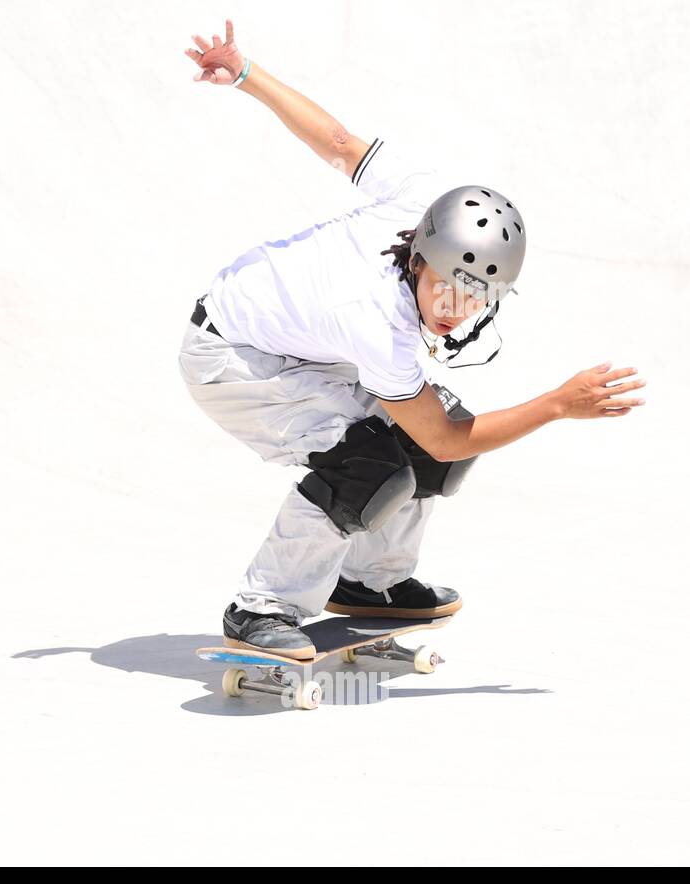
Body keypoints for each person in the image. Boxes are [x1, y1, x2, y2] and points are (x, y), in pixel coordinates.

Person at [179, 22, 647, 660]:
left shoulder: (424, 198)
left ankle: (370, 582)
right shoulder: (377, 320)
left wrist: (245, 73)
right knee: (368, 462)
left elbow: (340, 143)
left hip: (294, 343)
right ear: (420, 257)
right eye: (447, 289)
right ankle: (261, 606)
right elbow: (444, 437)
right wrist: (557, 405)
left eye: (478, 297)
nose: (456, 310)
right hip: (231, 358)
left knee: (431, 437)